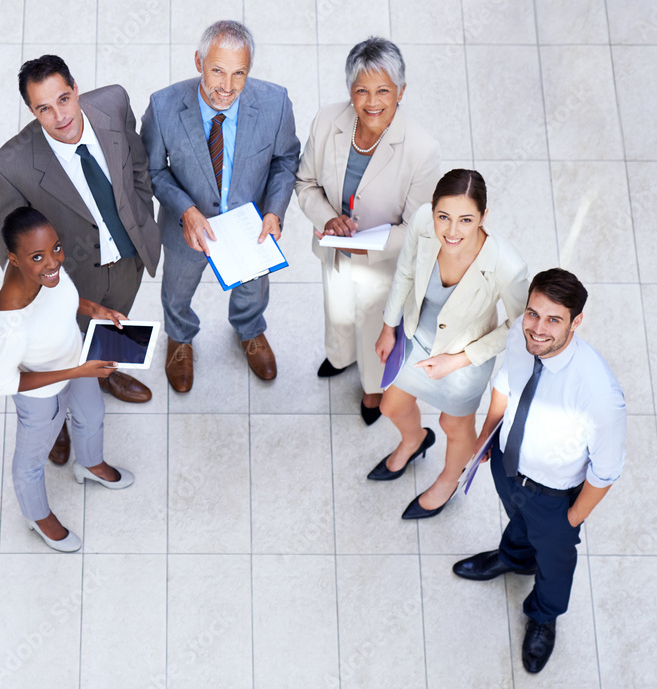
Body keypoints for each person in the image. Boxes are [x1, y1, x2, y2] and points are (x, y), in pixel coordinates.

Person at [0, 54, 161, 465]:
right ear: (31, 111)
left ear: (76, 88)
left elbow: (136, 165)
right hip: (69, 279)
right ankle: (60, 418)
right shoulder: (10, 168)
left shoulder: (113, 104)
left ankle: (107, 371)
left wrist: (140, 214)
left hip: (128, 258)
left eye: (64, 99)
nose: (60, 116)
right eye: (43, 108)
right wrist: (44, 297)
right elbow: (11, 253)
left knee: (114, 319)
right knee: (63, 346)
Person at [452, 268, 626, 674]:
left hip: (554, 496)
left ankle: (544, 615)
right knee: (519, 523)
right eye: (533, 313)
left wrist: (570, 520)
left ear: (575, 322)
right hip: (507, 466)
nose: (538, 328)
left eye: (553, 320)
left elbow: (606, 471)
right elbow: (505, 385)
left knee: (555, 560)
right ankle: (514, 558)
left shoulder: (600, 395)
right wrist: (483, 444)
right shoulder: (522, 334)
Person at [141, 20, 300, 392]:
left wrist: (274, 211)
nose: (226, 87)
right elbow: (149, 170)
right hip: (187, 229)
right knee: (177, 292)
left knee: (253, 289)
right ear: (198, 61)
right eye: (217, 71)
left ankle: (249, 330)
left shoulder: (276, 103)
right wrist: (184, 209)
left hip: (250, 225)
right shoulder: (163, 107)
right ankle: (179, 338)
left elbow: (285, 160)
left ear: (249, 71)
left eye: (238, 73)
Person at [295, 36, 441, 424]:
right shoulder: (328, 121)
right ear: (350, 91)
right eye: (361, 90)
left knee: (376, 326)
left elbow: (418, 227)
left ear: (401, 92)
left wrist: (370, 250)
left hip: (385, 265)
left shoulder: (422, 150)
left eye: (383, 91)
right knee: (338, 312)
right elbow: (305, 183)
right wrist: (328, 218)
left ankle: (373, 390)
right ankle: (341, 359)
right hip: (334, 247)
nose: (372, 101)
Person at [371, 169, 528, 519]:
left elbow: (519, 328)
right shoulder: (421, 223)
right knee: (390, 407)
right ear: (432, 210)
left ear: (484, 217)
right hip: (416, 337)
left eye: (466, 220)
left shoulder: (507, 264)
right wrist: (388, 327)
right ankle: (414, 441)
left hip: (465, 358)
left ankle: (448, 479)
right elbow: (406, 272)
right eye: (443, 217)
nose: (452, 231)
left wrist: (457, 360)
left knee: (453, 426)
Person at [0, 208, 136, 552]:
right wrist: (76, 373)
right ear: (14, 259)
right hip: (43, 394)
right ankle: (37, 517)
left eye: (55, 248)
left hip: (78, 360)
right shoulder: (10, 318)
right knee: (30, 464)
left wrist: (96, 310)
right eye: (38, 256)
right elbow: (1, 384)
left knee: (92, 415)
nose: (53, 262)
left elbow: (63, 299)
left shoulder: (47, 271)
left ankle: (89, 464)